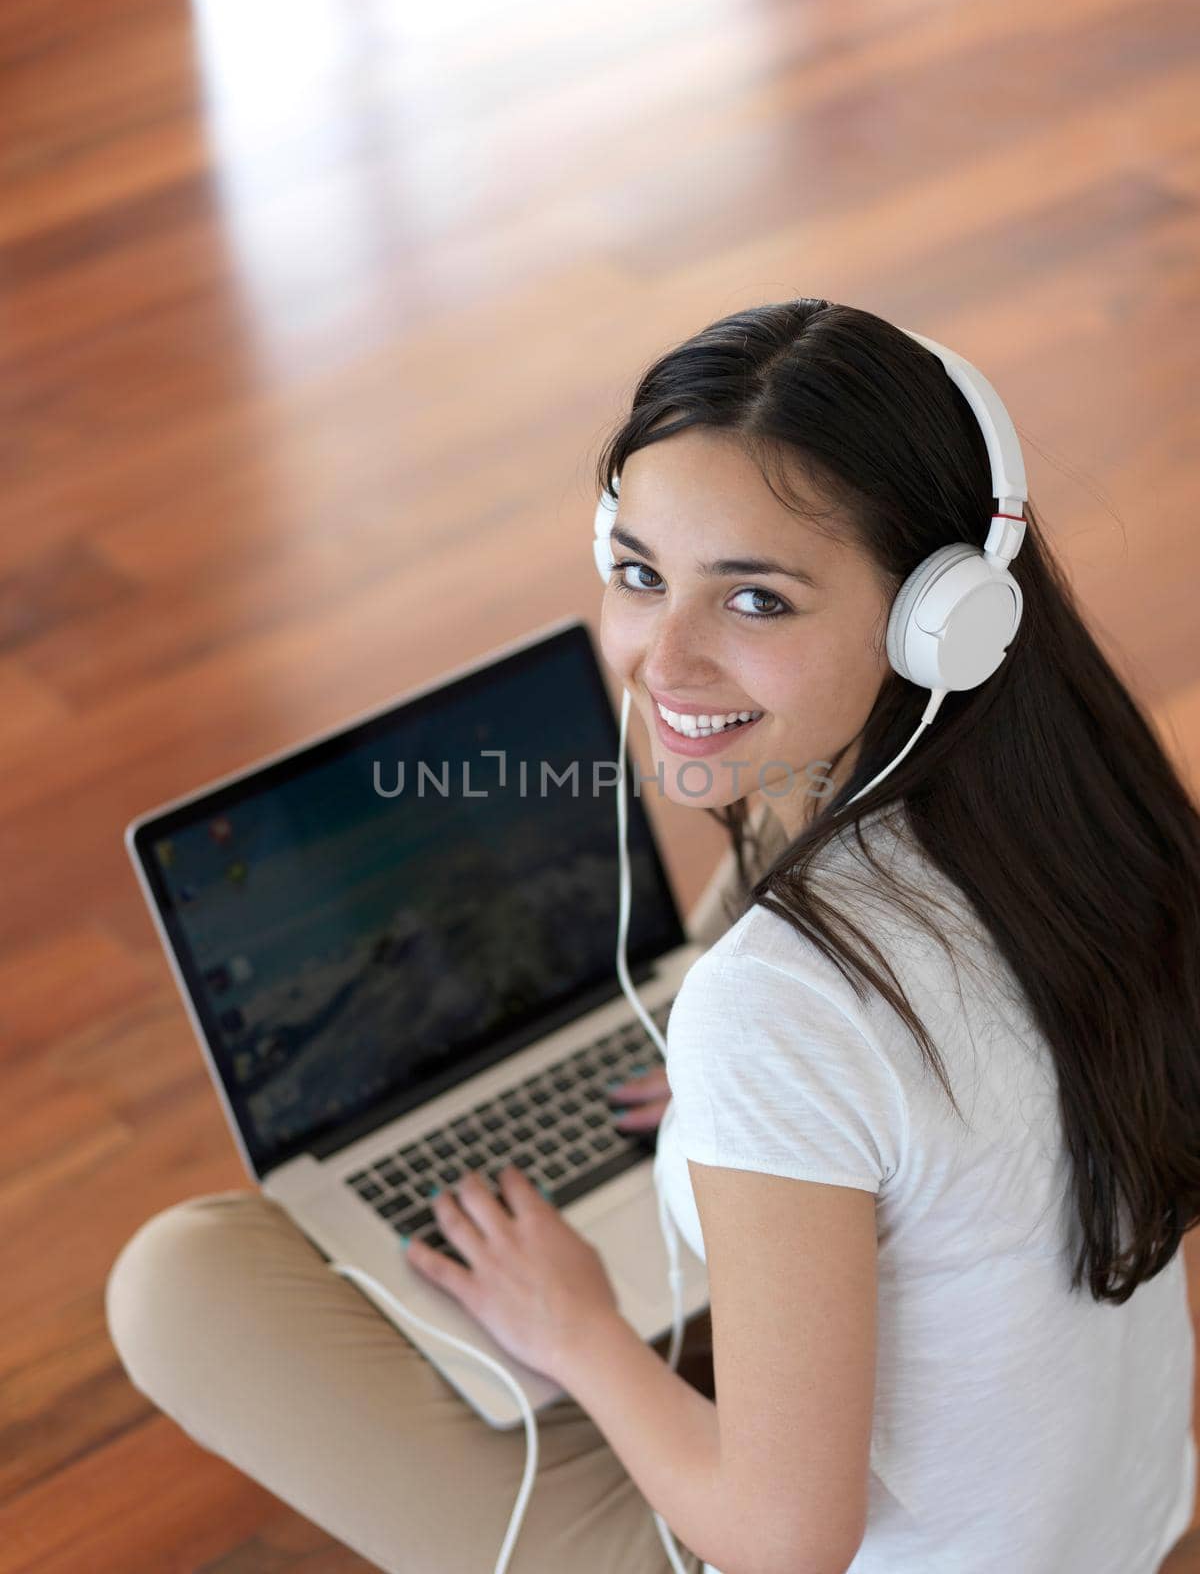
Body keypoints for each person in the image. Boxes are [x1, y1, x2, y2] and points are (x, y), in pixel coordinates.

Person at [106, 298, 1199, 1573]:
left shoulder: (783, 1001)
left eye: (755, 599)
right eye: (638, 575)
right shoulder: (1087, 823)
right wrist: (754, 1116)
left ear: (937, 618)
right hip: (1119, 1521)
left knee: (181, 1283)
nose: (662, 660)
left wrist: (578, 1328)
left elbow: (788, 1543)